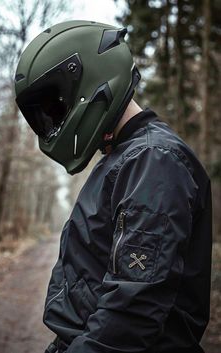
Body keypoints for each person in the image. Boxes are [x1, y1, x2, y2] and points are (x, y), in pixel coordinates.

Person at [14, 20, 212, 353]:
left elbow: (133, 310)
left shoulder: (153, 160)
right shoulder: (126, 158)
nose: (53, 122)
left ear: (87, 76)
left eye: (54, 108)